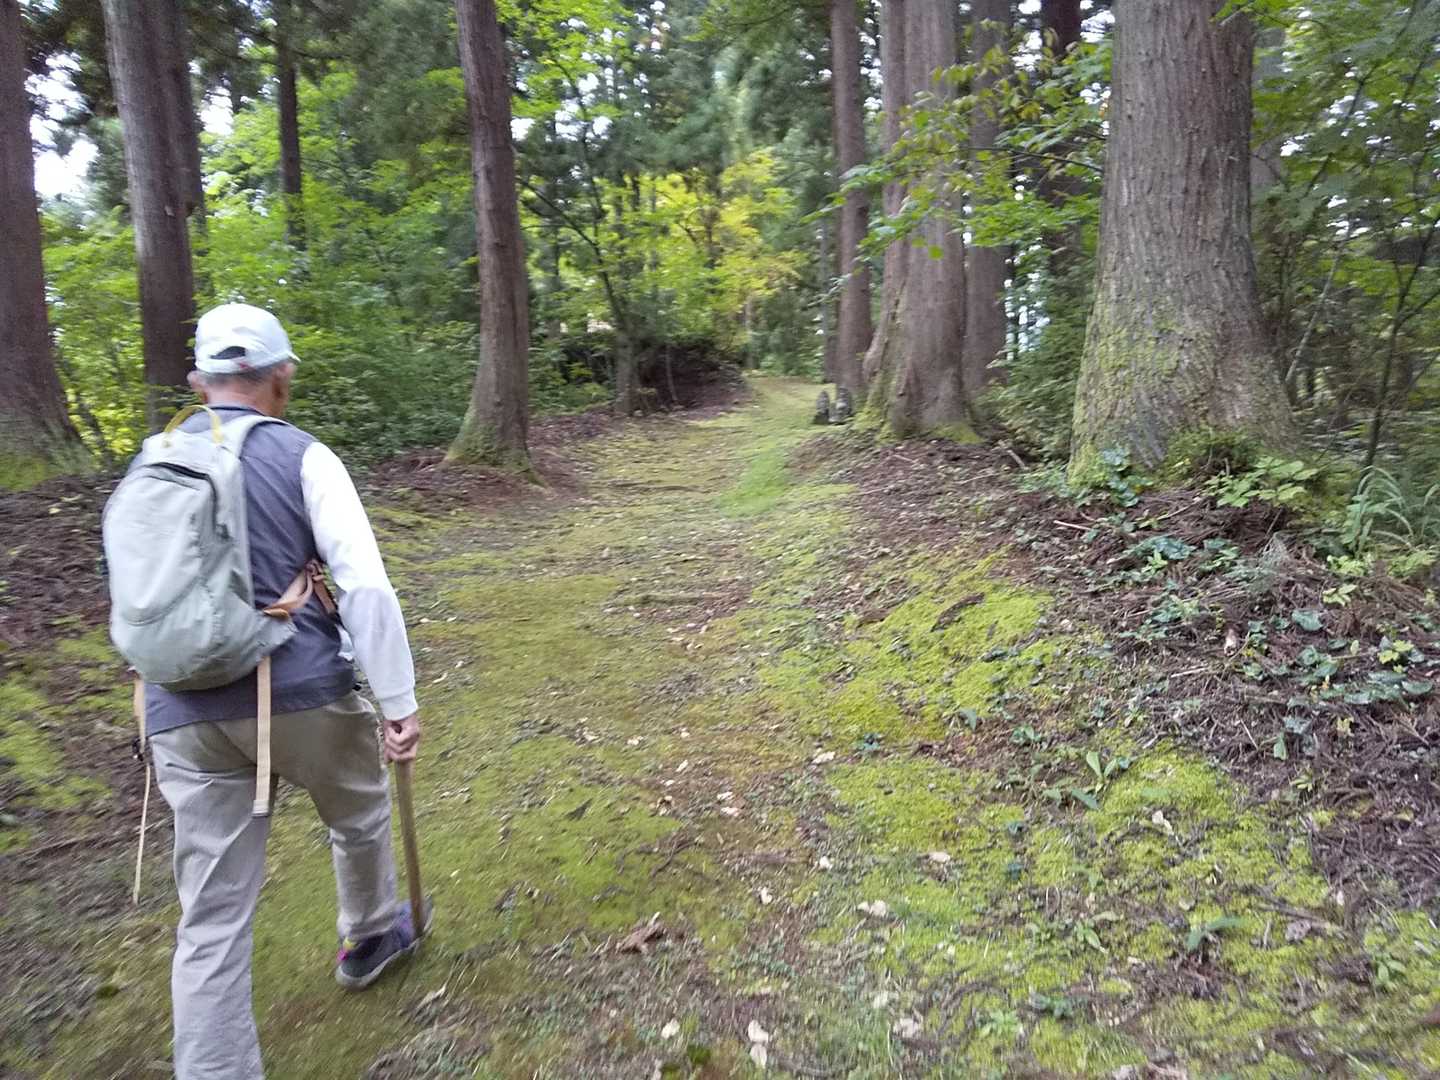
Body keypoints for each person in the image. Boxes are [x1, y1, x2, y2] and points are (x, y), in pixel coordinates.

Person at [141, 303, 428, 1079]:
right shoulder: (303, 456)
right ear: (281, 377)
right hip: (297, 689)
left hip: (177, 708)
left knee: (211, 916)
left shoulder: (153, 463)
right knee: (359, 810)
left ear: (199, 382)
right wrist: (398, 702)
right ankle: (370, 934)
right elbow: (364, 586)